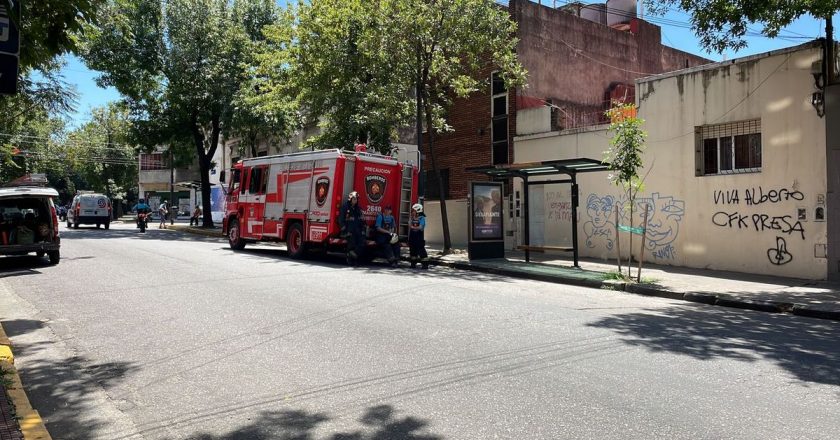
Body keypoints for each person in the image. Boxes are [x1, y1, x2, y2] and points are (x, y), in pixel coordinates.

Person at [338, 191, 365, 261]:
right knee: (352, 244)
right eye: (354, 199)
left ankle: (351, 254)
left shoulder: (358, 208)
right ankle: (351, 259)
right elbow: (341, 219)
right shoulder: (344, 207)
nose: (356, 200)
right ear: (350, 199)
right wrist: (344, 229)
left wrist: (363, 228)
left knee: (362, 243)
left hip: (357, 230)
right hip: (348, 230)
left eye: (356, 199)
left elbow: (362, 219)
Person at [408, 203, 429, 269]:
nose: (412, 212)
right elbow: (409, 224)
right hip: (412, 237)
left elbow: (420, 227)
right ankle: (413, 263)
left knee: (421, 251)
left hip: (419, 237)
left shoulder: (422, 218)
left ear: (417, 211)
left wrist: (412, 227)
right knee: (412, 250)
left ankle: (425, 264)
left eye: (413, 210)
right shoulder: (412, 218)